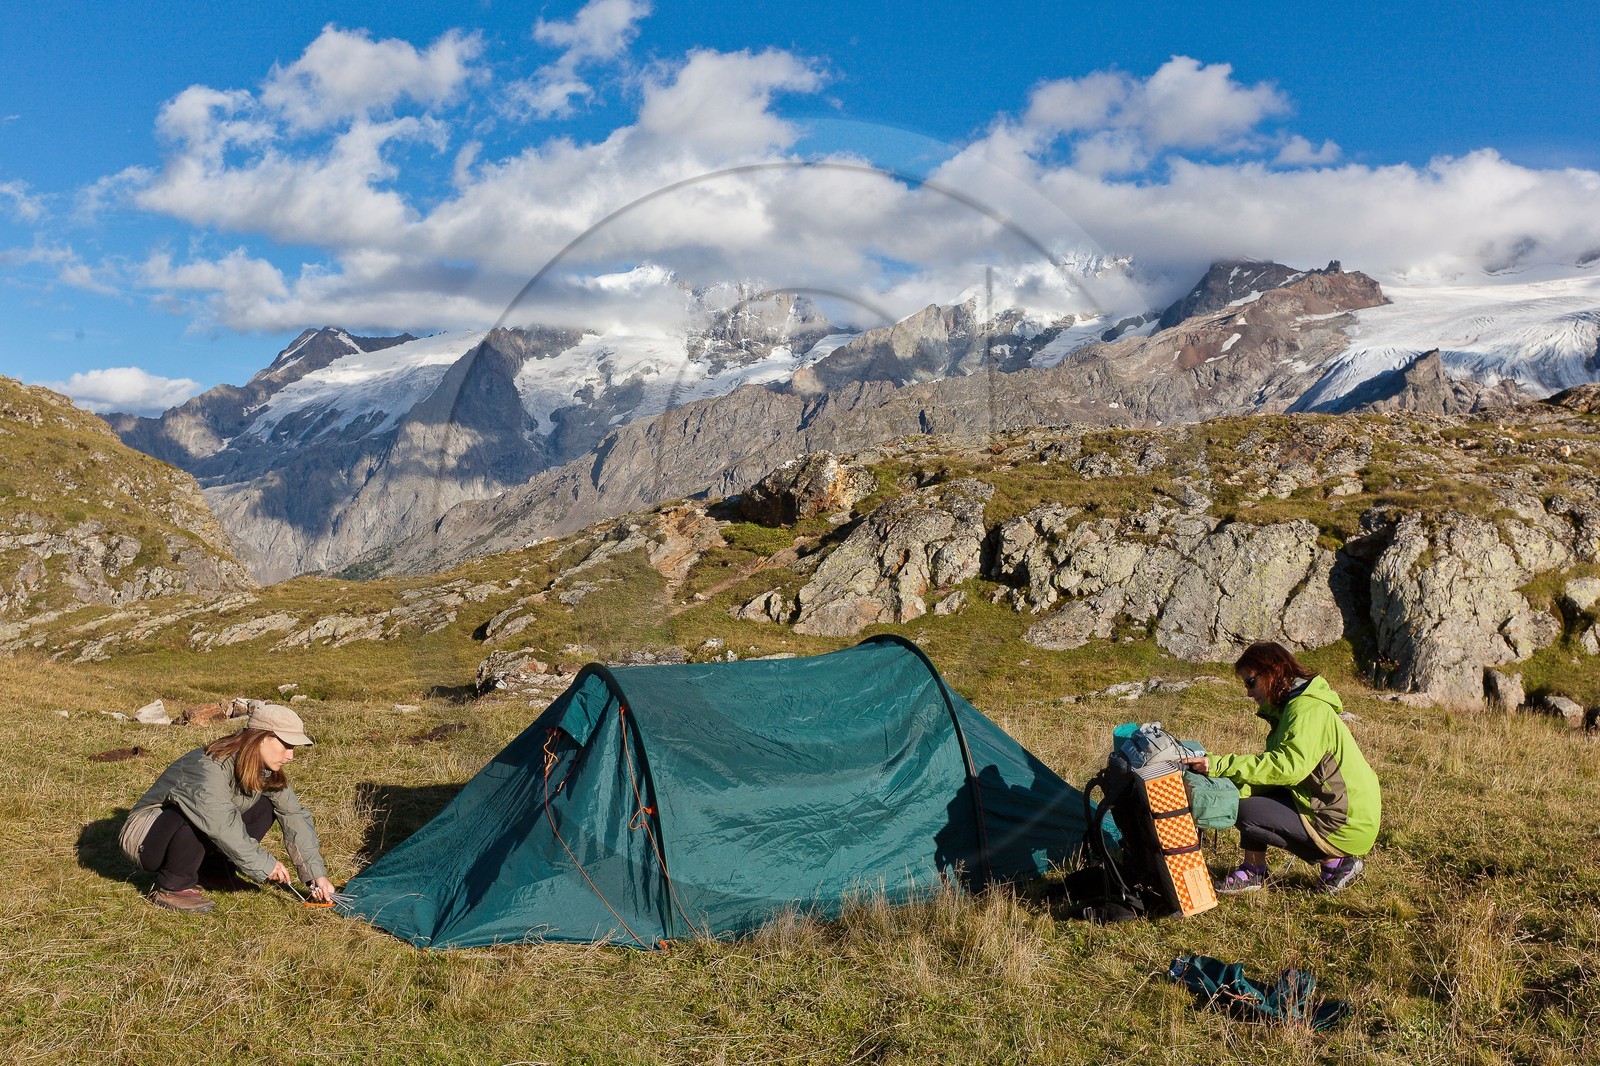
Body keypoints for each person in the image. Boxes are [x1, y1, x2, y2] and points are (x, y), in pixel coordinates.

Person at [1181, 642, 1380, 895]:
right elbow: (1272, 774)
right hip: (1327, 801)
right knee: (1241, 797)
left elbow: (1287, 768)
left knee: (1244, 811)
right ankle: (1254, 870)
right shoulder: (1288, 709)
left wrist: (1219, 765)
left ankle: (1337, 862)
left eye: (1250, 682)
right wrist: (1225, 789)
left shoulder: (1306, 709)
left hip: (1346, 819)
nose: (1249, 693)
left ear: (1273, 671)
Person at [119, 703, 335, 913]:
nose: (290, 756)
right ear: (261, 738)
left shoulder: (266, 771)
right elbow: (220, 821)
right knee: (196, 813)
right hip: (146, 840)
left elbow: (293, 815)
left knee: (265, 805)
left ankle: (216, 872)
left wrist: (316, 875)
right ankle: (173, 886)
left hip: (198, 827)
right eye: (286, 745)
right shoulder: (209, 766)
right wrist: (264, 864)